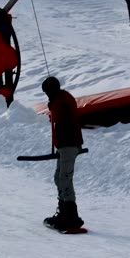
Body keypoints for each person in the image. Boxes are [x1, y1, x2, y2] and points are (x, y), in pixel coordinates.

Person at [41, 76, 85, 231]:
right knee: (58, 177)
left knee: (65, 178)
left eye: (47, 92)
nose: (47, 95)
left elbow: (62, 121)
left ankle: (70, 215)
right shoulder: (61, 99)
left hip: (68, 144)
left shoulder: (61, 102)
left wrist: (53, 106)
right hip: (65, 145)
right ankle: (63, 211)